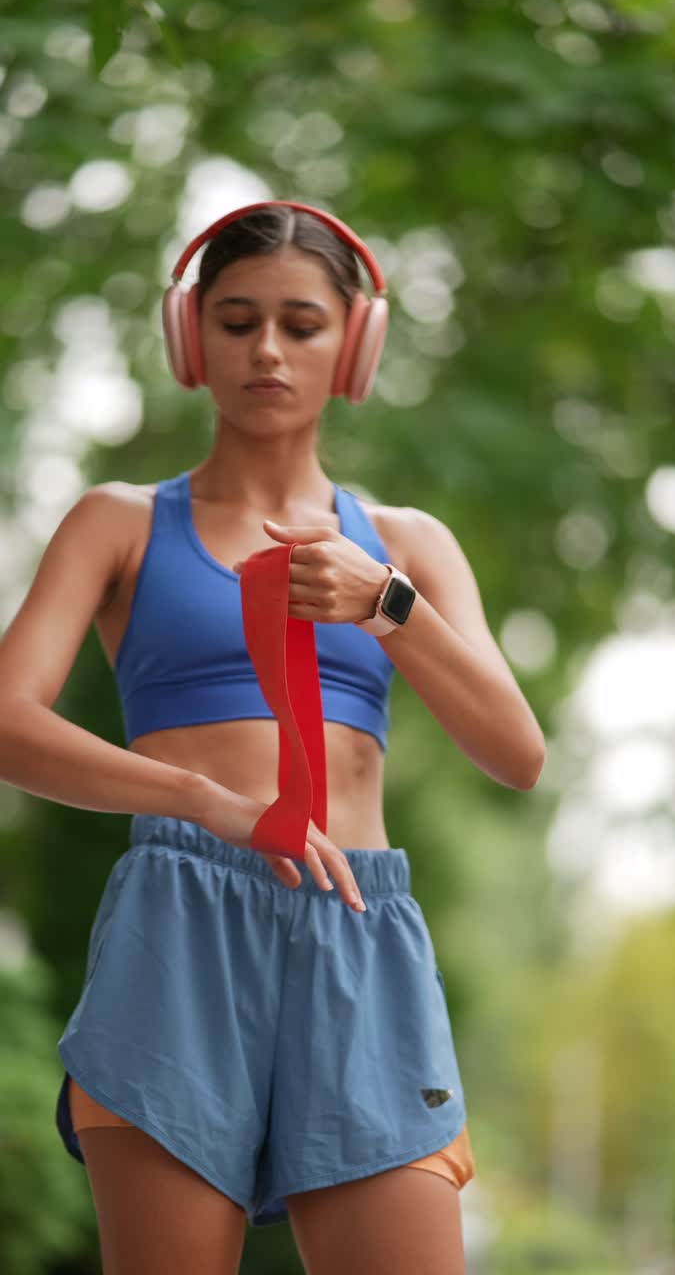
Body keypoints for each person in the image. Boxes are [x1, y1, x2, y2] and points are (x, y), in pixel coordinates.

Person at [0, 202, 545, 1275]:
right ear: (189, 335)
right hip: (179, 919)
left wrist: (383, 600)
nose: (266, 349)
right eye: (237, 319)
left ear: (356, 342)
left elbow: (517, 753)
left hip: (359, 926)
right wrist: (202, 800)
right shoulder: (117, 521)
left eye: (301, 322)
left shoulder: (408, 547)